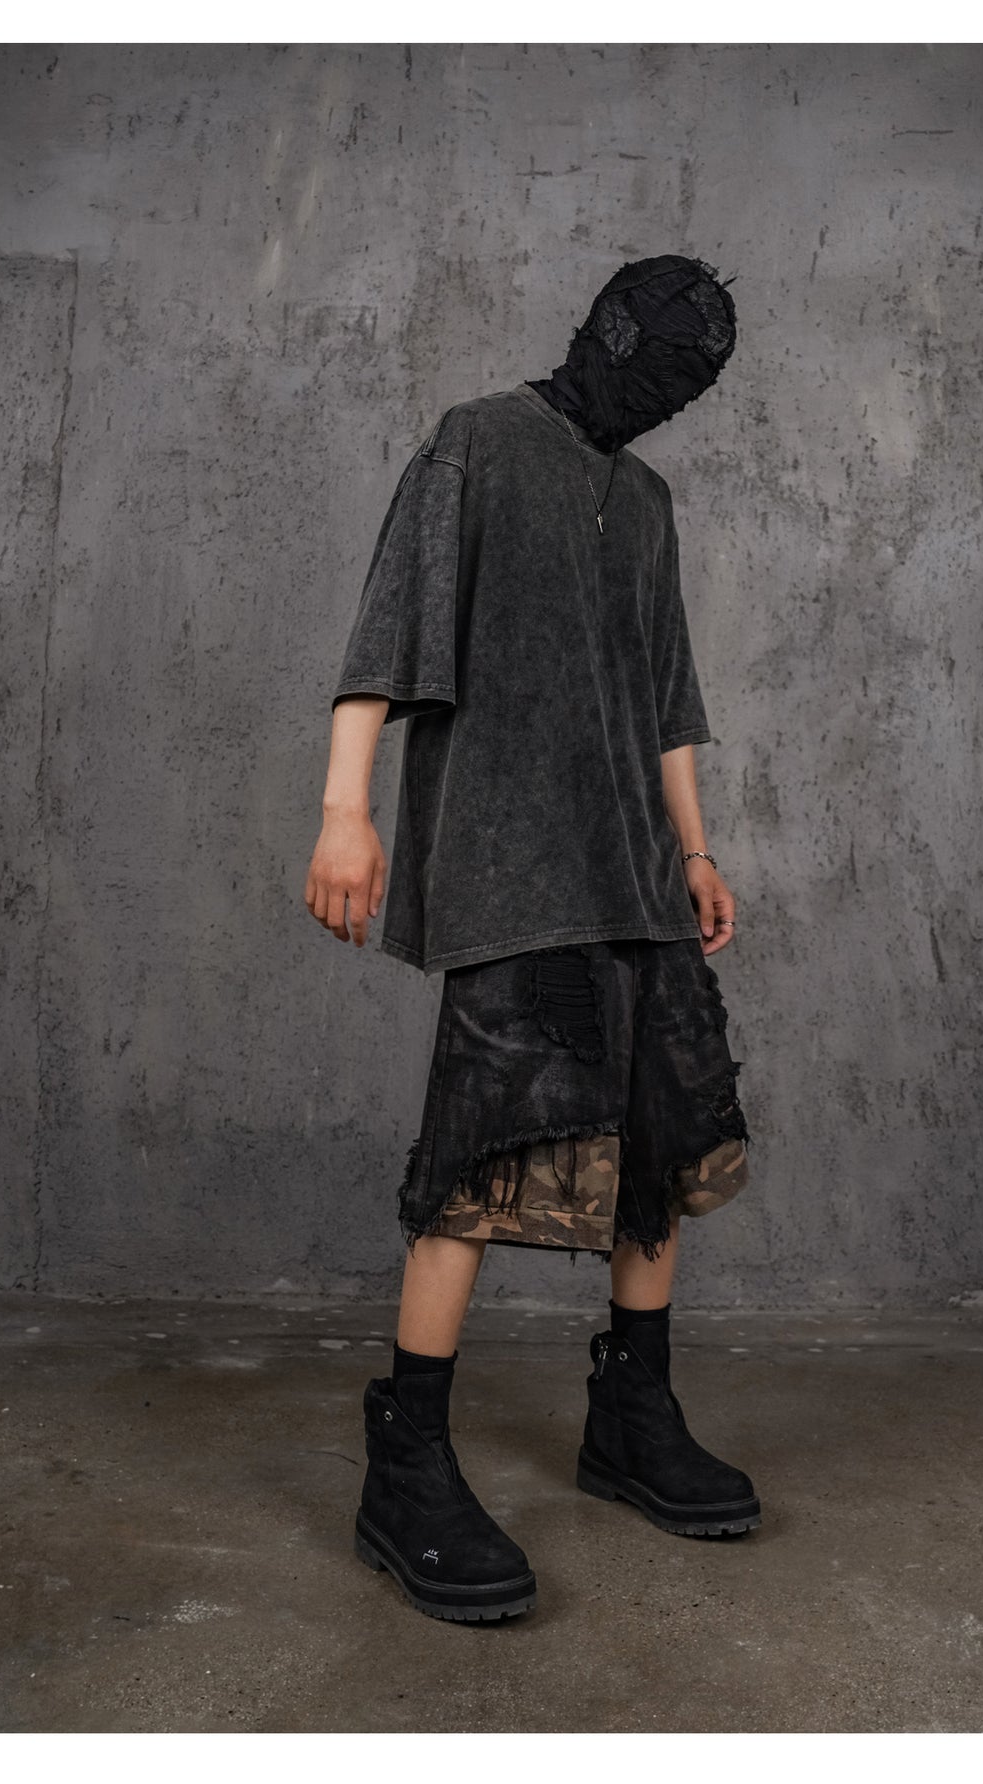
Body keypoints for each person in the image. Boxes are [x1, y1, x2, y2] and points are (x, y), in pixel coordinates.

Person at [304, 254, 759, 1623]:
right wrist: (345, 812)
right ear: (607, 331)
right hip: (515, 867)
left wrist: (694, 850)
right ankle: (406, 1461)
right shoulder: (480, 444)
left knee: (661, 1143)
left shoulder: (649, 502)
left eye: (690, 385)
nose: (664, 396)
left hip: (636, 874)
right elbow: (389, 629)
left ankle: (633, 1415)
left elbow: (667, 695)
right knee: (480, 1156)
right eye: (658, 364)